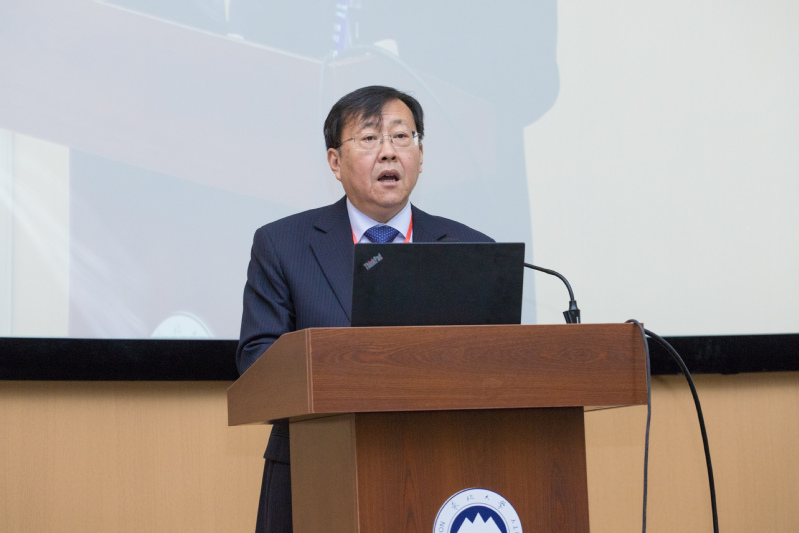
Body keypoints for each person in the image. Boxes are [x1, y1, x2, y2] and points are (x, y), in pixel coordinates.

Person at [236, 85, 493, 533]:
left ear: (420, 154)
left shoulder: (471, 248)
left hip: (444, 471)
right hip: (316, 473)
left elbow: (493, 365)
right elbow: (257, 363)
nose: (389, 152)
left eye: (402, 137)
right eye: (370, 138)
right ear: (335, 162)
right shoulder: (282, 245)